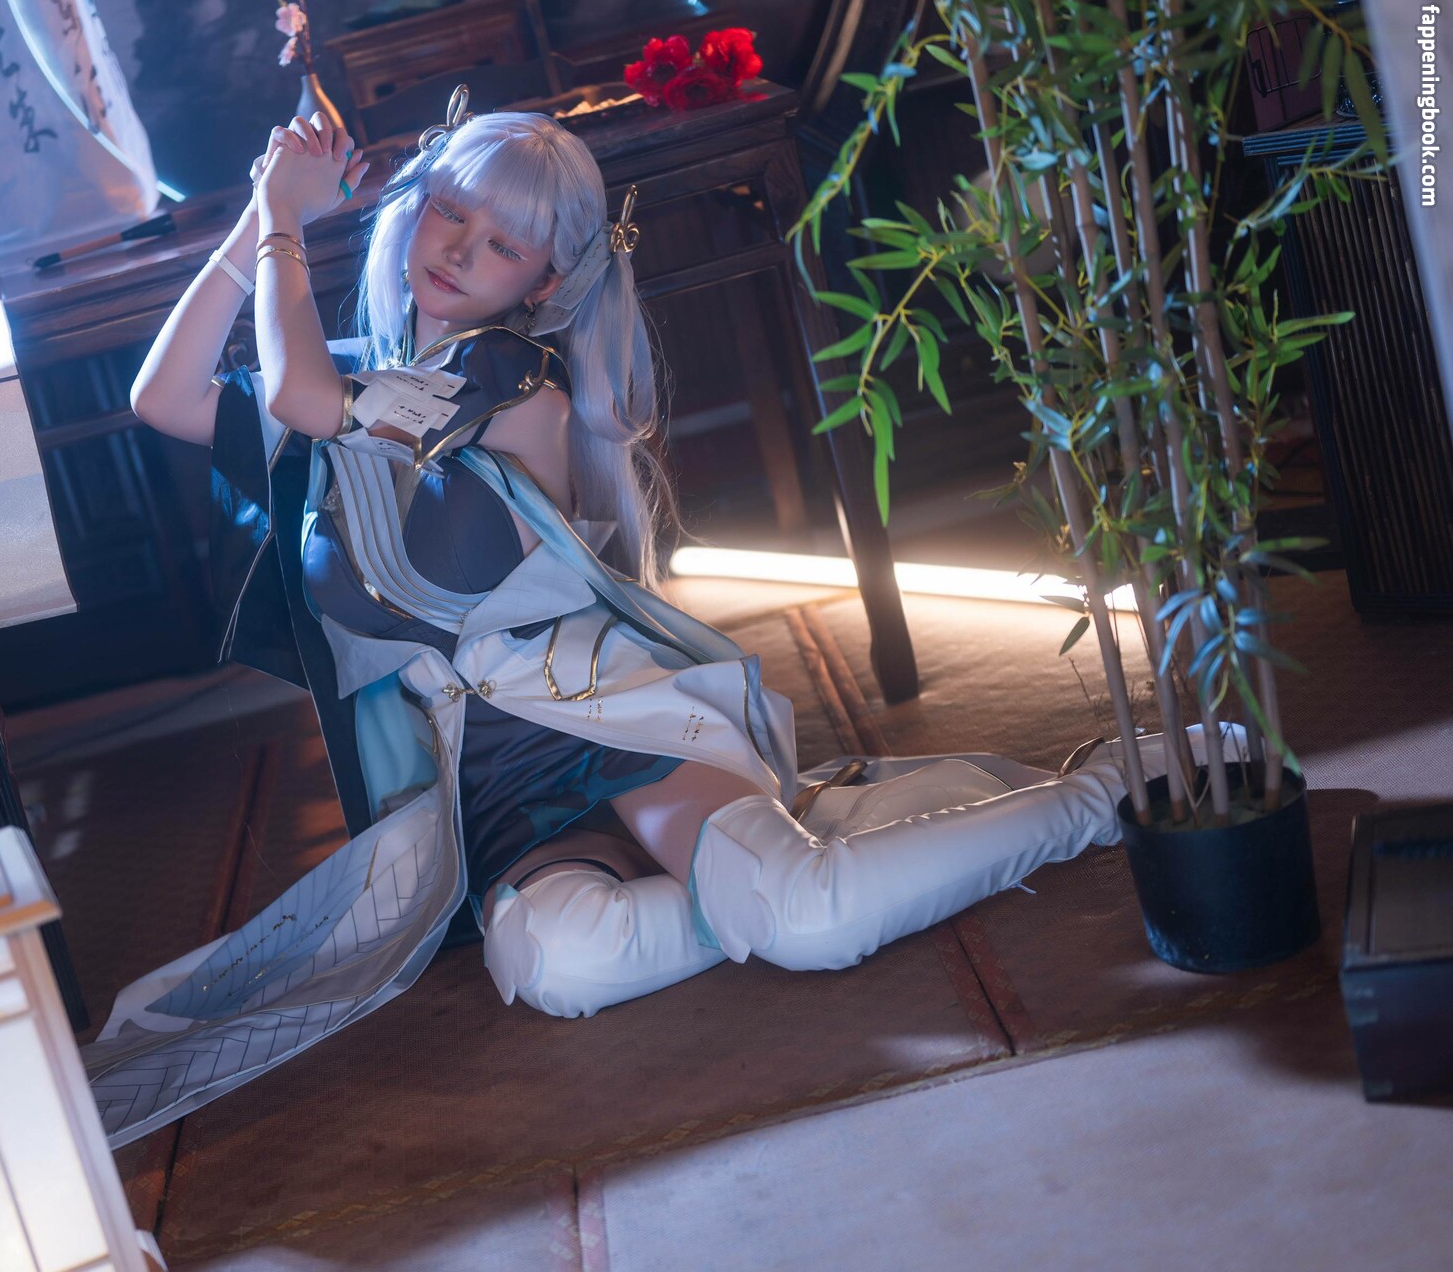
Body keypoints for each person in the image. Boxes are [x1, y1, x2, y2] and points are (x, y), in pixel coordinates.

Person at [86, 93, 1227, 1149]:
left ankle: (1102, 795)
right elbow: (164, 396)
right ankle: (788, 849)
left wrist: (290, 224)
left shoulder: (507, 382)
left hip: (601, 723)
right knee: (551, 961)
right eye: (452, 211)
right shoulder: (353, 386)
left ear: (544, 283)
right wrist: (259, 214)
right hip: (485, 785)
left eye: (503, 244)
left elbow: (296, 396)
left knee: (807, 922)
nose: (459, 249)